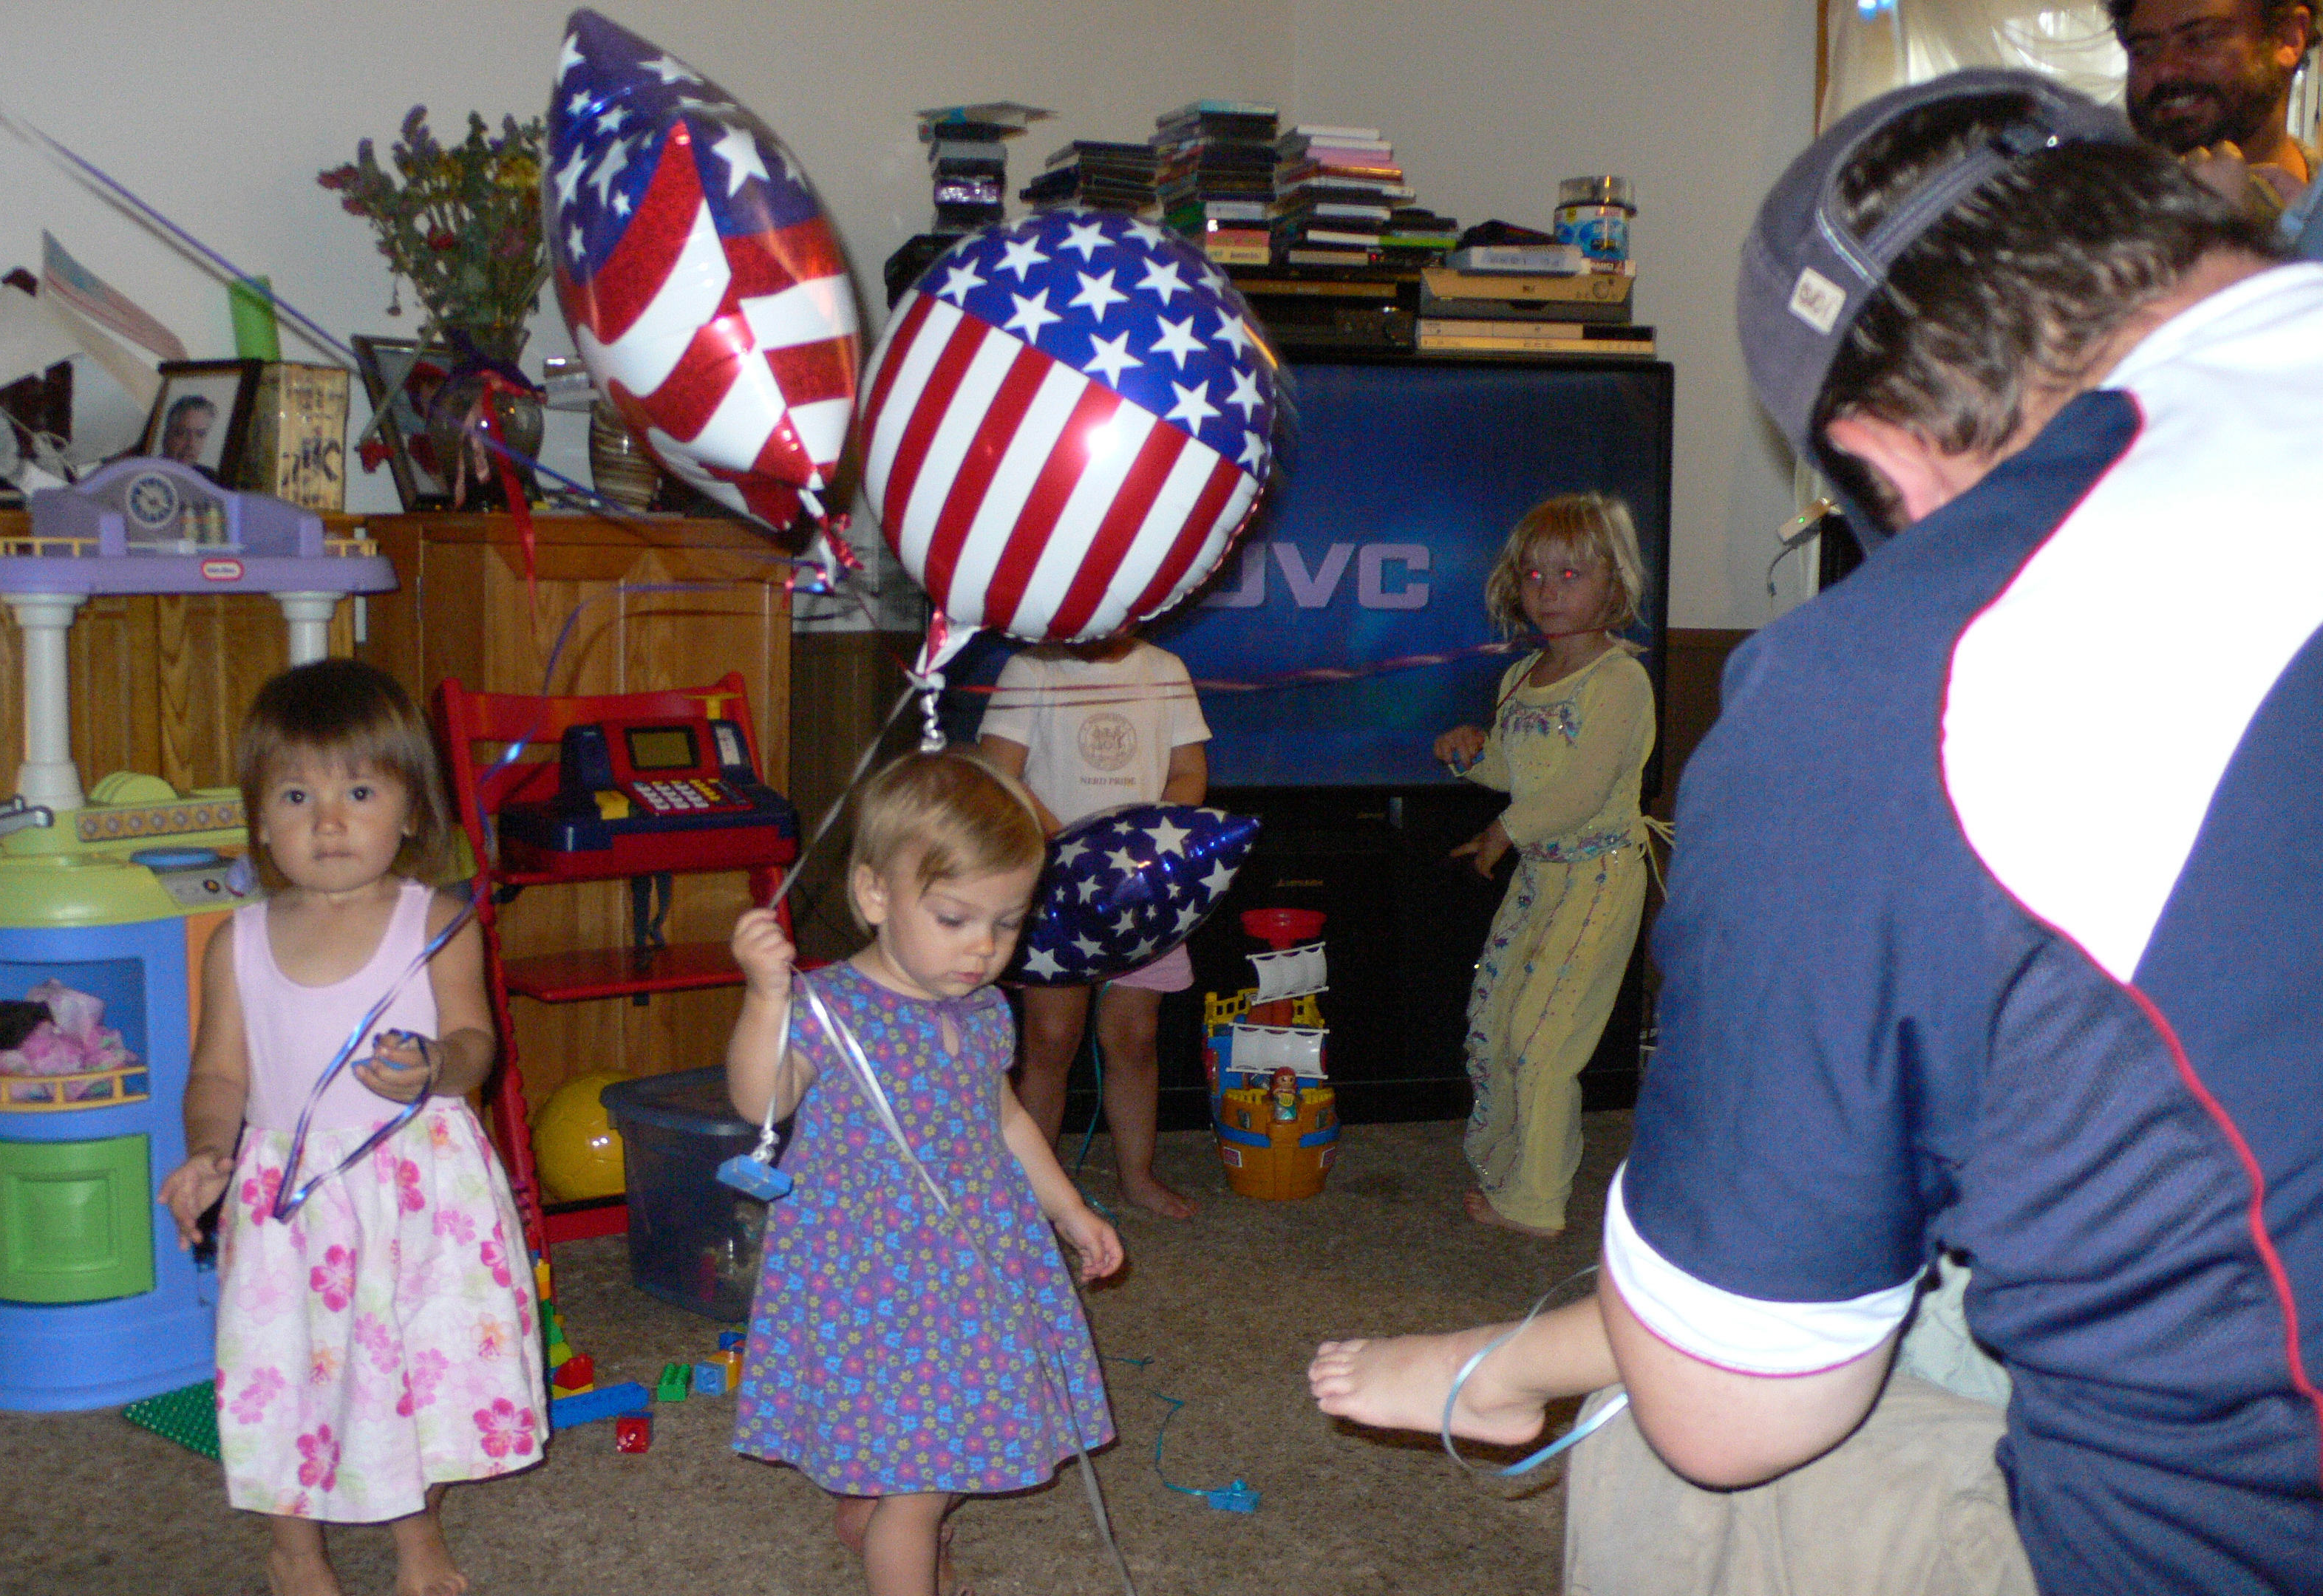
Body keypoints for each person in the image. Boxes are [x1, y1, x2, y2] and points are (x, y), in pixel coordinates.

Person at [1310, 68, 2321, 1595]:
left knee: (1667, 1419)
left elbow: (1734, 1417)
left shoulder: (1898, 681)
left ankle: (1525, 1364)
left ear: (1883, 457)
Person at [157, 658, 543, 1596]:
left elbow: (476, 1047)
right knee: (285, 1371)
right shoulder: (238, 943)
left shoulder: (438, 922)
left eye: (359, 792)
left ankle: (418, 1533)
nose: (328, 822)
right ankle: (294, 1548)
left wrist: (435, 1068)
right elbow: (217, 1073)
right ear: (260, 820)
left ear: (411, 810)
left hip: (422, 1192)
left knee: (423, 1365)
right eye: (297, 796)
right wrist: (207, 1149)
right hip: (296, 1208)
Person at [727, 750, 1123, 1596]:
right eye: (954, 918)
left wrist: (1068, 1210)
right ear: (875, 895)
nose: (983, 948)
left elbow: (1003, 1119)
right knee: (922, 1480)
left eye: (1007, 923)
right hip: (874, 1275)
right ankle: (898, 1525)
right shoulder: (830, 1005)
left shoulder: (983, 1007)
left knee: (963, 1427)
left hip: (974, 1261)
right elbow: (761, 1101)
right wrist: (765, 1000)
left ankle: (877, 1511)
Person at [1429, 492, 1657, 1240]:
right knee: (1497, 1021)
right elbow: (1517, 771)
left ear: (1613, 583)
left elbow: (1582, 790)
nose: (1549, 591)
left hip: (1597, 879)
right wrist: (1473, 755)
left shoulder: (1619, 681)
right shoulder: (1522, 677)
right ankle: (1508, 1163)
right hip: (1539, 880)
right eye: (1534, 575)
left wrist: (1503, 831)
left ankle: (1537, 1202)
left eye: (1571, 574)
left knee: (1543, 1038)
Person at [976, 633, 1211, 1220]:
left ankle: (1137, 1176)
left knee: (1134, 1036)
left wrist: (1146, 845)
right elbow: (998, 771)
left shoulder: (1165, 667)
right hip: (1057, 881)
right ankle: (1033, 1191)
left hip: (1141, 887)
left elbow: (1188, 772)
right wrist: (1081, 849)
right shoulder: (1031, 669)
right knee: (1051, 1037)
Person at [2112, 0, 2315, 231]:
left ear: (2288, 38)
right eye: (2144, 50)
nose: (2165, 71)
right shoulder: (2099, 217)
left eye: (2202, 38)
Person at [160, 392, 219, 466]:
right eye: (182, 433)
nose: (191, 444)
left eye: (200, 435)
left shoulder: (206, 473)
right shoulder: (148, 469)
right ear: (166, 436)